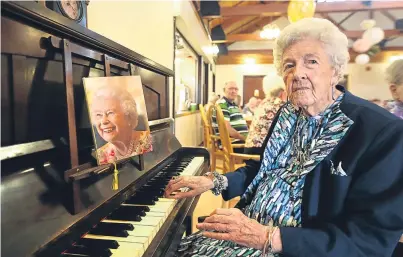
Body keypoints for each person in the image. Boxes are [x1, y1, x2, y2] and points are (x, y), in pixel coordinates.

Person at [165, 18, 403, 257]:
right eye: (289, 65)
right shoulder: (287, 113)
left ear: (336, 70)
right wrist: (214, 181)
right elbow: (263, 169)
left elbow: (368, 242)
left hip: (294, 248)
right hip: (245, 229)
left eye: (311, 61)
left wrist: (267, 237)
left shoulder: (381, 131)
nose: (298, 73)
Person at [90, 86, 152, 165]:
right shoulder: (100, 156)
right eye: (98, 114)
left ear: (129, 116)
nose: (103, 121)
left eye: (110, 113)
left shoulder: (148, 140)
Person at [244, 74, 286, 150]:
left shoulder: (263, 103)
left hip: (249, 149)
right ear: (281, 91)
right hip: (260, 154)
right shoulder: (279, 105)